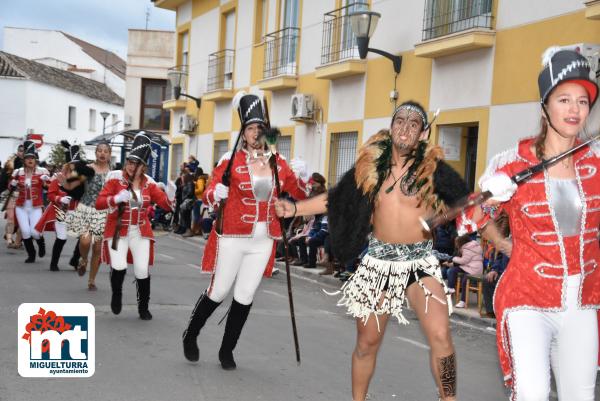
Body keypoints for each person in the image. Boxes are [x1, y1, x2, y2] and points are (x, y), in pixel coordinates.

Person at [275, 101, 468, 401]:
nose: (404, 128)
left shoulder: (434, 171)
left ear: (423, 132)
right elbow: (335, 199)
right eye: (399, 121)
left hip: (420, 261)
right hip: (379, 261)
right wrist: (295, 208)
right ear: (391, 127)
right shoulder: (371, 166)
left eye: (413, 123)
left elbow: (466, 202)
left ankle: (450, 399)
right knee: (366, 344)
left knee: (442, 337)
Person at [458, 47, 599, 401]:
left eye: (582, 101)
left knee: (579, 395)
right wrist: (491, 201)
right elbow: (467, 219)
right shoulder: (514, 164)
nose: (574, 110)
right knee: (532, 393)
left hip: (582, 300)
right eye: (563, 99)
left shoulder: (595, 163)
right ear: (545, 107)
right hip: (528, 298)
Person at [182, 92, 309, 370]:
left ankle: (227, 350)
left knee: (245, 295)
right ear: (243, 132)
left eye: (259, 128)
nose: (255, 133)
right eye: (250, 128)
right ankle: (190, 335)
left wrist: (301, 177)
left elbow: (297, 192)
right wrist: (217, 192)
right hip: (234, 235)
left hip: (265, 239)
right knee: (219, 291)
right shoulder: (230, 160)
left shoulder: (277, 161)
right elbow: (208, 195)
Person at [96, 133, 173, 320]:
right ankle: (117, 294)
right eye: (129, 162)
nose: (131, 166)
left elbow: (166, 205)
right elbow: (99, 203)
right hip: (116, 231)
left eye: (136, 163)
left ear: (143, 167)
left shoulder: (150, 185)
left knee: (141, 270)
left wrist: (170, 194)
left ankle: (143, 307)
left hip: (140, 231)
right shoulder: (115, 181)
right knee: (119, 266)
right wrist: (115, 198)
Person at [35, 143, 90, 271]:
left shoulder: (82, 179)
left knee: (83, 237)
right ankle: (53, 263)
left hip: (77, 212)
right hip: (61, 211)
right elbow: (50, 194)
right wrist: (60, 199)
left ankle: (74, 260)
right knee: (62, 237)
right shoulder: (58, 177)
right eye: (72, 165)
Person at [66, 142, 111, 290]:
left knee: (97, 248)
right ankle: (83, 259)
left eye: (105, 151)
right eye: (99, 151)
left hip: (103, 212)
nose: (102, 153)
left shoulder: (114, 173)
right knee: (85, 242)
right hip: (86, 208)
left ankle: (91, 280)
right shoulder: (88, 169)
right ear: (96, 153)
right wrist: (72, 173)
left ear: (109, 154)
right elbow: (71, 183)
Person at [11, 140, 49, 263]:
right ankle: (31, 254)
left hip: (36, 206)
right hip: (21, 207)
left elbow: (49, 187)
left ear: (36, 160)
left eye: (32, 158)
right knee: (26, 232)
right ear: (24, 160)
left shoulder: (42, 171)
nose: (30, 160)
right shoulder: (18, 172)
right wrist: (12, 184)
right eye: (28, 158)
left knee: (35, 232)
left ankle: (41, 244)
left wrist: (45, 182)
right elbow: (10, 187)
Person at [446, 234, 483, 308]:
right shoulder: (468, 246)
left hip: (474, 269)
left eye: (456, 242)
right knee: (452, 270)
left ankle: (463, 301)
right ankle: (451, 288)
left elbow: (464, 261)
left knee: (464, 280)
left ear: (461, 242)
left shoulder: (468, 248)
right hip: (467, 266)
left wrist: (453, 259)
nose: (455, 244)